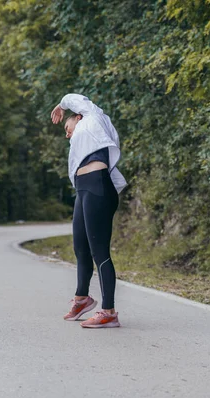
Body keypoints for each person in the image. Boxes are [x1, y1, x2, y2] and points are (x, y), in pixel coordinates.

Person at [51, 93, 127, 328]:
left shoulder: (93, 117)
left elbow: (76, 98)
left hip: (97, 188)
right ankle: (82, 298)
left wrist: (61, 105)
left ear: (78, 116)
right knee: (80, 248)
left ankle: (109, 312)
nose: (67, 133)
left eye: (66, 126)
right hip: (84, 190)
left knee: (99, 252)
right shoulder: (80, 143)